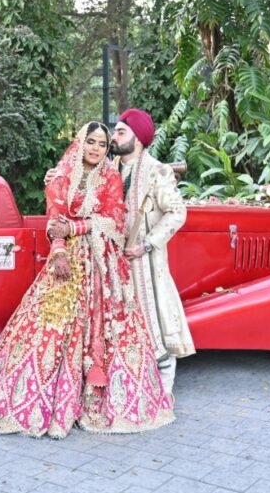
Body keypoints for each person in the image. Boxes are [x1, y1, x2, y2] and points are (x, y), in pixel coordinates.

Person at [0, 122, 174, 438]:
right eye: (91, 142)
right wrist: (59, 252)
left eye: (102, 144)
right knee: (51, 325)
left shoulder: (110, 177)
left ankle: (94, 400)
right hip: (68, 262)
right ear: (80, 143)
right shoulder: (61, 176)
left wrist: (75, 228)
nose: (96, 149)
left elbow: (114, 221)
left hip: (102, 266)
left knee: (104, 328)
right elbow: (55, 220)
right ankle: (50, 402)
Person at [48, 109, 194, 395]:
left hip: (143, 261)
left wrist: (148, 243)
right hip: (110, 262)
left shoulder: (157, 171)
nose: (113, 137)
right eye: (114, 132)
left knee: (155, 326)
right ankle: (132, 391)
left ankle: (164, 395)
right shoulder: (109, 166)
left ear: (138, 139)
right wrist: (55, 175)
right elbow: (79, 179)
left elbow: (177, 212)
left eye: (121, 132)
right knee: (120, 328)